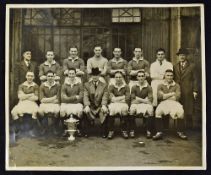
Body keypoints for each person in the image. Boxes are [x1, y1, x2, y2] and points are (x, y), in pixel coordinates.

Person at [153, 69, 187, 140]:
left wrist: (165, 96)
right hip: (163, 103)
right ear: (164, 76)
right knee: (158, 111)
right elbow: (159, 97)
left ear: (173, 76)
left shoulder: (177, 85)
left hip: (174, 103)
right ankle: (159, 132)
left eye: (171, 75)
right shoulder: (160, 85)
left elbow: (177, 97)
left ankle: (180, 132)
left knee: (181, 112)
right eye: (167, 75)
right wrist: (172, 94)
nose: (169, 77)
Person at [173, 48, 198, 129]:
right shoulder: (175, 66)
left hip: (188, 90)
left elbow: (195, 79)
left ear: (186, 56)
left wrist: (195, 90)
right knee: (179, 107)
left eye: (183, 55)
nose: (182, 57)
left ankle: (189, 127)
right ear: (178, 56)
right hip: (178, 90)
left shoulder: (192, 66)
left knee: (188, 108)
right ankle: (179, 127)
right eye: (180, 55)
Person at [11, 71, 39, 137]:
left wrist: (25, 96)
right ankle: (18, 129)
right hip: (22, 103)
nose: (30, 77)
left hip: (32, 103)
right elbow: (20, 97)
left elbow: (36, 98)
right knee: (13, 112)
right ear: (26, 76)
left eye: (31, 76)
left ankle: (31, 130)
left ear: (34, 77)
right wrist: (30, 94)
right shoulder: (21, 85)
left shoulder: (35, 86)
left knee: (35, 111)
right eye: (28, 76)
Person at [83, 68, 109, 138]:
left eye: (96, 75)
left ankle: (104, 131)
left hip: (100, 105)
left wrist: (104, 105)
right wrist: (87, 105)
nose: (95, 77)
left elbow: (105, 96)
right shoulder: (86, 85)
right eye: (93, 75)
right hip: (91, 105)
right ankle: (87, 131)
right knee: (86, 110)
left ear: (99, 76)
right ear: (91, 76)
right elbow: (85, 96)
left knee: (104, 111)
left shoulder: (104, 85)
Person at [129, 70, 154, 138]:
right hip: (137, 104)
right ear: (137, 77)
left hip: (145, 104)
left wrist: (138, 99)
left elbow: (150, 100)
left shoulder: (149, 87)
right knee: (132, 109)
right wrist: (144, 100)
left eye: (142, 76)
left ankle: (148, 130)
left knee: (150, 109)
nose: (141, 78)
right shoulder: (134, 87)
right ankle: (132, 130)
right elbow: (133, 100)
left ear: (145, 77)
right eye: (139, 76)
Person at [60, 68, 84, 136]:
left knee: (79, 109)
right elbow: (63, 98)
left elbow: (81, 97)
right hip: (66, 103)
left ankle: (78, 129)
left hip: (77, 103)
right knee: (62, 109)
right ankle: (65, 129)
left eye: (73, 74)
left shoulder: (79, 84)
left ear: (75, 74)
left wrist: (69, 99)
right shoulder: (64, 85)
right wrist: (74, 97)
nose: (71, 75)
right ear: (68, 75)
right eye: (70, 74)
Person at [107, 71, 130, 139]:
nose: (118, 78)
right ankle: (111, 130)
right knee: (111, 109)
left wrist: (116, 98)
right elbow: (110, 98)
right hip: (114, 103)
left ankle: (124, 130)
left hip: (123, 103)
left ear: (122, 78)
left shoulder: (126, 86)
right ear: (114, 78)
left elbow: (127, 98)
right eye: (116, 77)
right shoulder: (111, 86)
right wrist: (122, 97)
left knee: (124, 109)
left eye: (120, 77)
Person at [38, 70, 61, 135]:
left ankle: (54, 127)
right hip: (45, 104)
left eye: (51, 76)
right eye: (48, 76)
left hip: (54, 104)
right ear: (46, 77)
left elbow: (58, 99)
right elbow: (41, 100)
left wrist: (47, 99)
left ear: (54, 77)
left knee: (57, 111)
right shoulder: (42, 85)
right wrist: (53, 98)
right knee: (40, 111)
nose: (50, 77)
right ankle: (44, 127)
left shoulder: (58, 85)